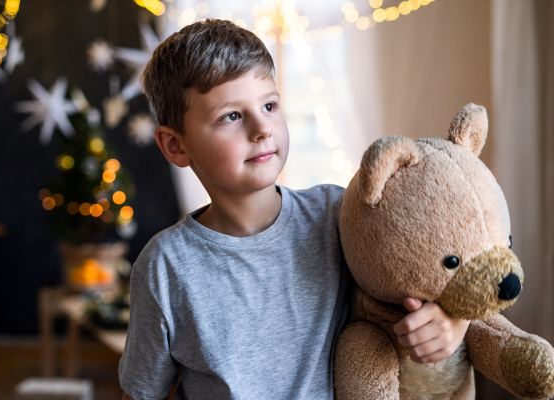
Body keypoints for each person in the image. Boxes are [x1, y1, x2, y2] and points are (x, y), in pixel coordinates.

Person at [119, 19, 470, 400]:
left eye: (269, 105)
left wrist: (454, 323)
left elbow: (443, 272)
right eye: (231, 116)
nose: (262, 128)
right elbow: (142, 394)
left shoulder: (340, 213)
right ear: (175, 146)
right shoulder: (164, 266)